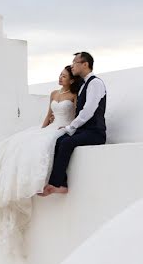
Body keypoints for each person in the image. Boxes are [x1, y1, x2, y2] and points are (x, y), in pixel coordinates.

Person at [0, 65, 83, 255]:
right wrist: (41, 130)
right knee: (21, 142)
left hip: (63, 128)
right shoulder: (53, 94)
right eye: (60, 75)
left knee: (40, 146)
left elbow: (76, 116)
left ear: (72, 80)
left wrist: (67, 130)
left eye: (64, 76)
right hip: (51, 127)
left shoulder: (74, 96)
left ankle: (39, 181)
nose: (60, 78)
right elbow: (48, 116)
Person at [40, 51, 107, 196]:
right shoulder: (83, 85)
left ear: (85, 64)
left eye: (75, 62)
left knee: (65, 143)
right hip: (84, 131)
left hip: (95, 132)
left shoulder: (95, 83)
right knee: (58, 140)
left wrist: (71, 127)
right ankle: (60, 183)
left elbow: (89, 110)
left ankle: (56, 184)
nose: (72, 66)